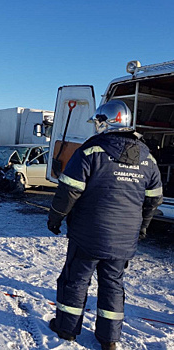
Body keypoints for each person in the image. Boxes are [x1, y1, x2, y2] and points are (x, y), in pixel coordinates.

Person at [46, 100, 163, 350]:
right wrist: (142, 227)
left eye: (98, 122)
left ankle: (67, 329)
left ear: (106, 123)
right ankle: (109, 339)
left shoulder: (91, 152)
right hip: (124, 239)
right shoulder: (148, 158)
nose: (96, 127)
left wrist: (54, 218)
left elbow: (68, 192)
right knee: (113, 285)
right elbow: (154, 200)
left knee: (75, 281)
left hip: (88, 235)